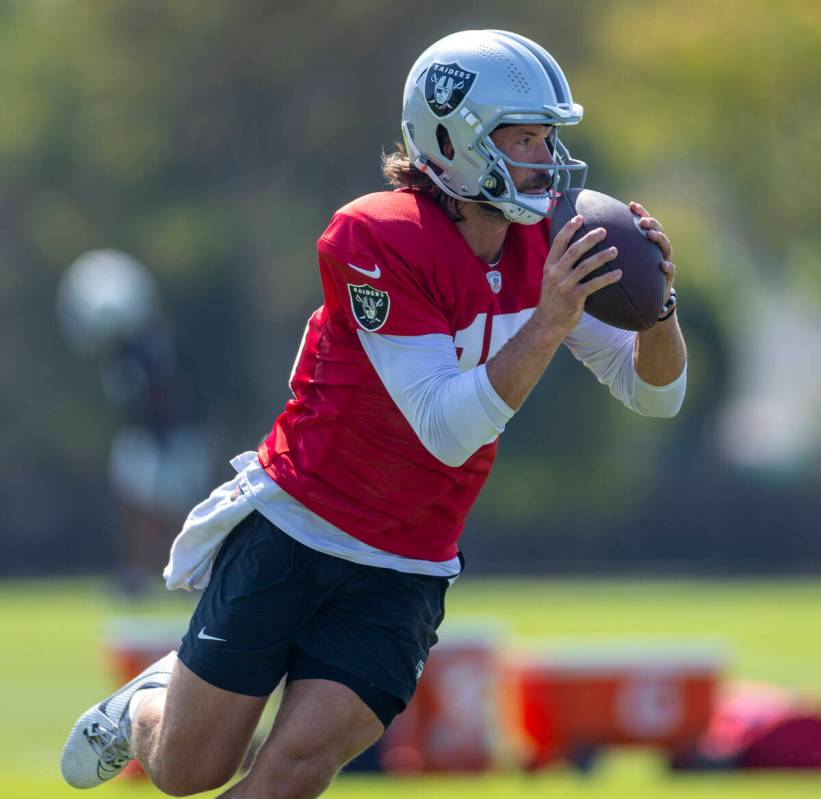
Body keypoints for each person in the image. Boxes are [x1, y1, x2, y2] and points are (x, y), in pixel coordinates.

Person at [61, 28, 687, 799]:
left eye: (548, 136)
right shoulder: (378, 235)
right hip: (299, 525)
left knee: (291, 772)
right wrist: (550, 320)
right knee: (189, 771)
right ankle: (148, 705)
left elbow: (655, 393)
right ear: (455, 138)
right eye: (522, 136)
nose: (544, 157)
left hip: (410, 560)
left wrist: (657, 310)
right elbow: (444, 425)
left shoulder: (546, 241)